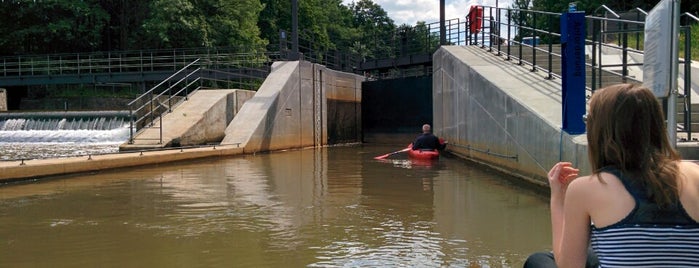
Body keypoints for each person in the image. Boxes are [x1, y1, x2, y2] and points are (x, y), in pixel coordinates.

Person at [524, 83, 699, 267]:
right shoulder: (695, 174)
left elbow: (568, 265)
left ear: (600, 131)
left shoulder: (585, 188)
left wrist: (558, 199)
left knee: (539, 261)